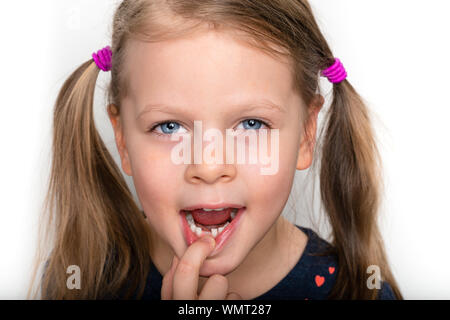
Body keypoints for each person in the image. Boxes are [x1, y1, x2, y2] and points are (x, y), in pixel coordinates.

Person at [30, 0, 403, 300]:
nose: (209, 166)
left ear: (306, 135)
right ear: (124, 140)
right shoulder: (80, 280)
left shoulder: (360, 293)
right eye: (169, 127)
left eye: (251, 124)